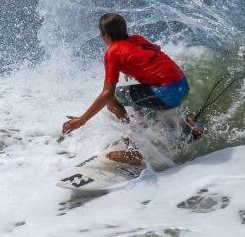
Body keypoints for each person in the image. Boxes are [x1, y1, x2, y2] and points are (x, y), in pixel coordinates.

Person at [62, 13, 191, 164]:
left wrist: (82, 120)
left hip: (166, 93)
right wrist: (132, 67)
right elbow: (155, 49)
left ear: (105, 36)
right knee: (138, 97)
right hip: (182, 86)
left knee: (113, 100)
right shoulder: (137, 39)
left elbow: (107, 94)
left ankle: (133, 152)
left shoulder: (113, 52)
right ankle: (187, 128)